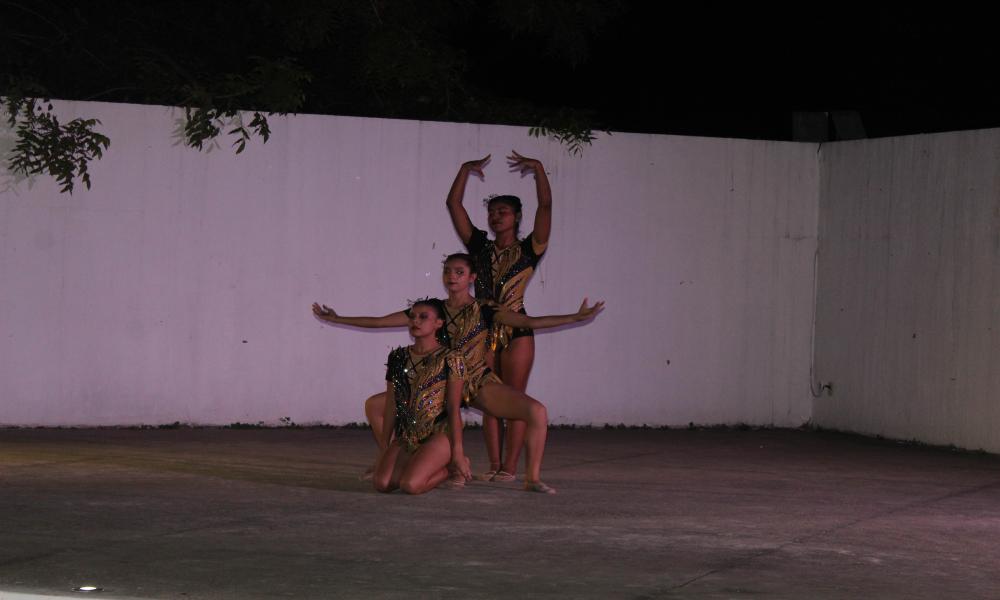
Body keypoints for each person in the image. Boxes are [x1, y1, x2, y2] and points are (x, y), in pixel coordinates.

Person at [313, 254, 603, 494]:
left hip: (476, 381)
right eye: (448, 271)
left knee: (536, 411)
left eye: (459, 271)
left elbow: (527, 321)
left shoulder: (484, 308)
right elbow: (379, 322)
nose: (452, 276)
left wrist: (574, 317)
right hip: (437, 382)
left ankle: (533, 478)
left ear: (472, 277)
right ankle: (401, 459)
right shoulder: (431, 309)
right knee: (375, 406)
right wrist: (337, 318)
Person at [445, 151, 551, 482]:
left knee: (515, 401)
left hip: (517, 331)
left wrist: (539, 171)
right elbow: (454, 206)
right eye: (491, 212)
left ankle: (509, 468)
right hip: (482, 331)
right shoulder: (480, 249)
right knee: (489, 400)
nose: (496, 217)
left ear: (517, 216)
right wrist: (463, 169)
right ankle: (493, 464)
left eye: (502, 212)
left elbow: (546, 208)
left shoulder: (530, 247)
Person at [369, 298, 470, 495]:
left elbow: (453, 407)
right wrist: (383, 447)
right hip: (407, 435)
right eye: (413, 317)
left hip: (439, 434)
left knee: (411, 485)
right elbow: (391, 404)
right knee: (382, 483)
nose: (416, 321)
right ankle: (421, 464)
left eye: (424, 317)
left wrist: (457, 451)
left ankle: (449, 468)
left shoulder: (451, 358)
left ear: (438, 323)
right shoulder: (398, 357)